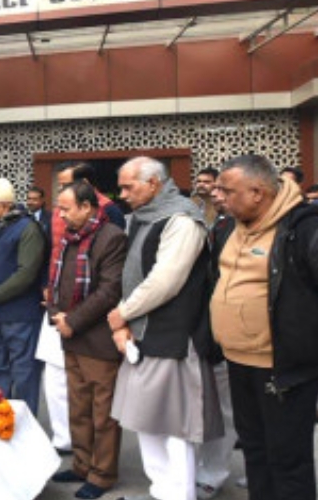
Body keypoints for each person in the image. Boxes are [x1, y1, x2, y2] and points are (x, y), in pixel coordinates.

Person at [108, 157, 222, 500]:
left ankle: (179, 493)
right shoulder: (143, 218)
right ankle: (162, 491)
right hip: (143, 335)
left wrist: (123, 313)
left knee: (175, 426)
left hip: (174, 337)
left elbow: (165, 281)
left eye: (128, 186)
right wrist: (124, 320)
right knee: (146, 421)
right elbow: (132, 275)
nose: (122, 194)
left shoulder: (182, 220)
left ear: (154, 183)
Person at [211, 154, 318, 500]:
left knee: (287, 459)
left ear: (258, 192)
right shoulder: (230, 226)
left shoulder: (302, 228)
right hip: (237, 360)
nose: (219, 197)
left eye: (228, 191)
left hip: (282, 367)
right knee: (254, 451)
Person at [47, 181, 127, 500]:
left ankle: (102, 474)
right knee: (78, 408)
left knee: (102, 413)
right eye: (59, 208)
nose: (60, 215)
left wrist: (73, 321)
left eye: (66, 208)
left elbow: (109, 291)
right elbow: (55, 283)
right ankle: (82, 464)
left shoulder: (112, 237)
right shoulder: (70, 237)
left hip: (97, 339)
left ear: (86, 207)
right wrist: (55, 313)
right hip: (71, 336)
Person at [0, 178, 45, 415]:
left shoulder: (27, 228)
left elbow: (26, 273)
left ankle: (25, 424)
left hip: (19, 315)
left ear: (5, 206)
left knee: (24, 374)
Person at [193, 179, 238, 500]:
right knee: (207, 408)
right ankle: (200, 469)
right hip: (206, 327)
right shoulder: (217, 223)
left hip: (232, 332)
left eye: (224, 190)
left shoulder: (243, 228)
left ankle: (214, 473)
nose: (216, 195)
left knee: (224, 410)